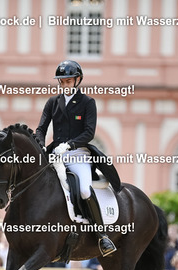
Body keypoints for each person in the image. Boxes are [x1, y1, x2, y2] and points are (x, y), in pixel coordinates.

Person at [35, 60, 116, 257]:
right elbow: (41, 128)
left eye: (68, 81)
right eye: (62, 82)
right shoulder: (53, 102)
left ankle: (102, 236)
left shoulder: (87, 103)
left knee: (84, 190)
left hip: (78, 155)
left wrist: (70, 145)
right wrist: (40, 144)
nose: (65, 85)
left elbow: (89, 132)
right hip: (56, 154)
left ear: (77, 80)